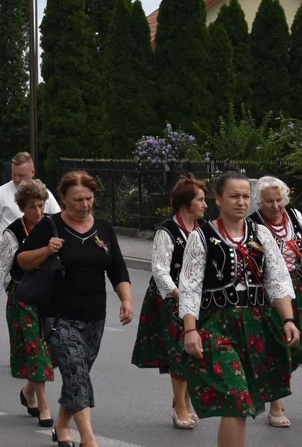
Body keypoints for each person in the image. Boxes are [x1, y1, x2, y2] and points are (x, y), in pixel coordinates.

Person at [177, 170, 300, 447]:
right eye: (234, 196)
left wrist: (288, 320)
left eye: (246, 196)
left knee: (244, 402)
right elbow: (190, 287)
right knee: (235, 398)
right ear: (218, 199)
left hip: (256, 325)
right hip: (217, 326)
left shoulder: (261, 235)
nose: (241, 202)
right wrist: (190, 330)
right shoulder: (202, 236)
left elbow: (278, 280)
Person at [17, 171, 132, 447]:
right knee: (76, 372)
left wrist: (126, 300)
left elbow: (118, 270)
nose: (85, 205)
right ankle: (89, 440)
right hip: (58, 317)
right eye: (78, 199)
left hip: (95, 316)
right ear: (64, 199)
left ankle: (62, 424)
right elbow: (21, 260)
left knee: (76, 375)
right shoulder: (50, 225)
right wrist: (46, 250)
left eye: (89, 198)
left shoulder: (103, 228)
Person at [0, 179, 55, 428]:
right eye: (32, 207)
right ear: (22, 208)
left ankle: (28, 391)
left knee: (52, 353)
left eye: (41, 206)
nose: (38, 212)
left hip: (51, 297)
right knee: (35, 349)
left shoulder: (52, 226)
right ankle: (44, 405)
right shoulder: (14, 232)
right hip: (23, 297)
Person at [131, 174, 208, 430]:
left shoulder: (203, 229)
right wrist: (179, 294)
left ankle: (182, 401)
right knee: (180, 353)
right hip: (171, 300)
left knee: (195, 353)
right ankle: (181, 407)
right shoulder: (167, 230)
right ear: (186, 204)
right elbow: (160, 269)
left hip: (197, 300)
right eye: (200, 200)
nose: (205, 205)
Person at [250, 175, 302, 427]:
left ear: (286, 198)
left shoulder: (295, 216)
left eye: (278, 199)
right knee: (278, 347)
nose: (275, 205)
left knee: (297, 346)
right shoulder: (253, 225)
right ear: (259, 202)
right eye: (268, 201)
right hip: (269, 293)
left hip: (298, 288)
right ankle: (275, 405)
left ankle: (274, 388)